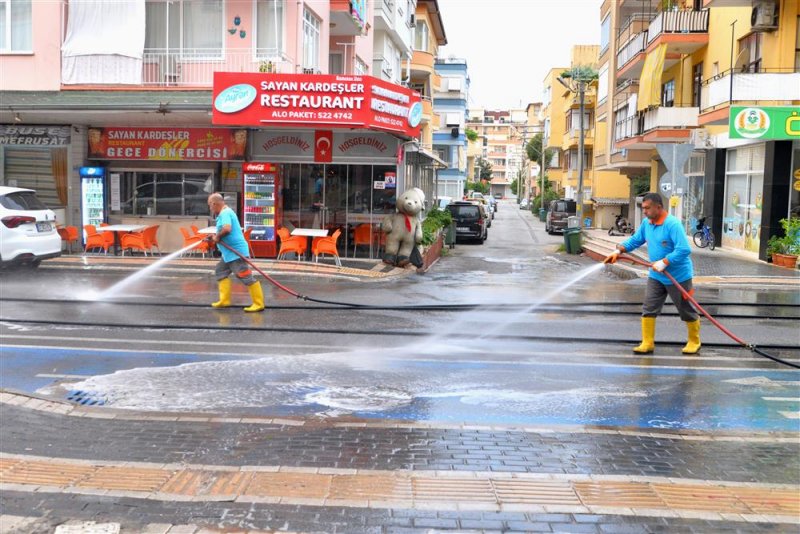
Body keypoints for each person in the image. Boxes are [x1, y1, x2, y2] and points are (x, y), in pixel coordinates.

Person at [604, 192, 700, 354]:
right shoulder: (647, 223)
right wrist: (618, 251)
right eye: (643, 208)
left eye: (648, 208)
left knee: (686, 309)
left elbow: (684, 249)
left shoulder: (672, 224)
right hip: (656, 276)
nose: (645, 211)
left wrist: (665, 262)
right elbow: (635, 240)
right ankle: (647, 342)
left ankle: (694, 341)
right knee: (649, 307)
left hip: (678, 276)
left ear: (659, 207)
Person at [207, 193, 264, 312]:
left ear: (214, 203)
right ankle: (225, 300)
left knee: (245, 276)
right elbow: (224, 230)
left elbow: (227, 229)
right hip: (228, 254)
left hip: (236, 253)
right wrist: (215, 237)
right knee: (220, 272)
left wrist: (217, 237)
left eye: (210, 206)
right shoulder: (224, 213)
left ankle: (258, 303)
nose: (210, 208)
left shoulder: (225, 213)